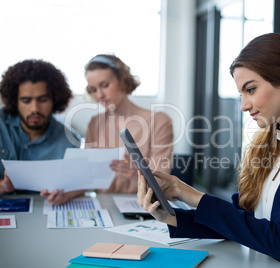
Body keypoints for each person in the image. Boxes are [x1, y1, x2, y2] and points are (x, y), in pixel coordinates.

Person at [138, 33, 280, 268]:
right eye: (241, 94)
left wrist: (192, 195)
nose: (244, 105)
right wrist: (170, 216)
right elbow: (242, 218)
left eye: (251, 90)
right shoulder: (269, 143)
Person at [84, 54, 173, 193]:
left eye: (105, 85)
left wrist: (135, 175)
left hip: (142, 208)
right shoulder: (95, 123)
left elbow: (162, 183)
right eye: (93, 90)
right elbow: (87, 175)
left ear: (122, 80)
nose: (99, 95)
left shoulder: (159, 122)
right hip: (104, 206)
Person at [0, 59, 81, 204]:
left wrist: (66, 194)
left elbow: (80, 184)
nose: (35, 109)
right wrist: (3, 186)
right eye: (26, 101)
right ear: (15, 101)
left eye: (42, 100)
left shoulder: (69, 140)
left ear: (54, 100)